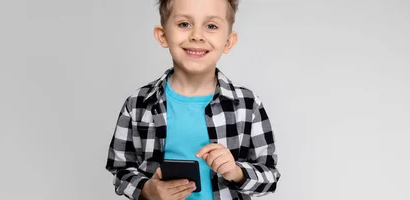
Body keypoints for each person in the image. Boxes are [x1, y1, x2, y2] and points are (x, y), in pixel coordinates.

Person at [105, 0, 280, 199]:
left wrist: (237, 172)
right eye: (184, 24)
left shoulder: (248, 105)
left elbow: (270, 177)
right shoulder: (138, 104)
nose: (197, 36)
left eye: (211, 26)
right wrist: (145, 189)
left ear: (228, 42)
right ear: (163, 36)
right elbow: (120, 169)